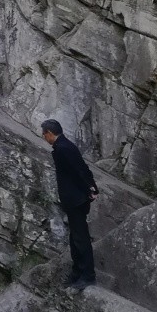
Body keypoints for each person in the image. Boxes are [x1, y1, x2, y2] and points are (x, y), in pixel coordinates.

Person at [41, 119, 98, 289]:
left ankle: (88, 275)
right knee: (75, 237)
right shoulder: (64, 146)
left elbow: (78, 171)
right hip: (75, 199)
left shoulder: (63, 149)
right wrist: (91, 187)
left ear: (50, 133)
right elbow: (82, 168)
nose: (44, 137)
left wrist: (90, 189)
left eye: (44, 134)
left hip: (76, 200)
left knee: (80, 238)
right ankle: (77, 271)